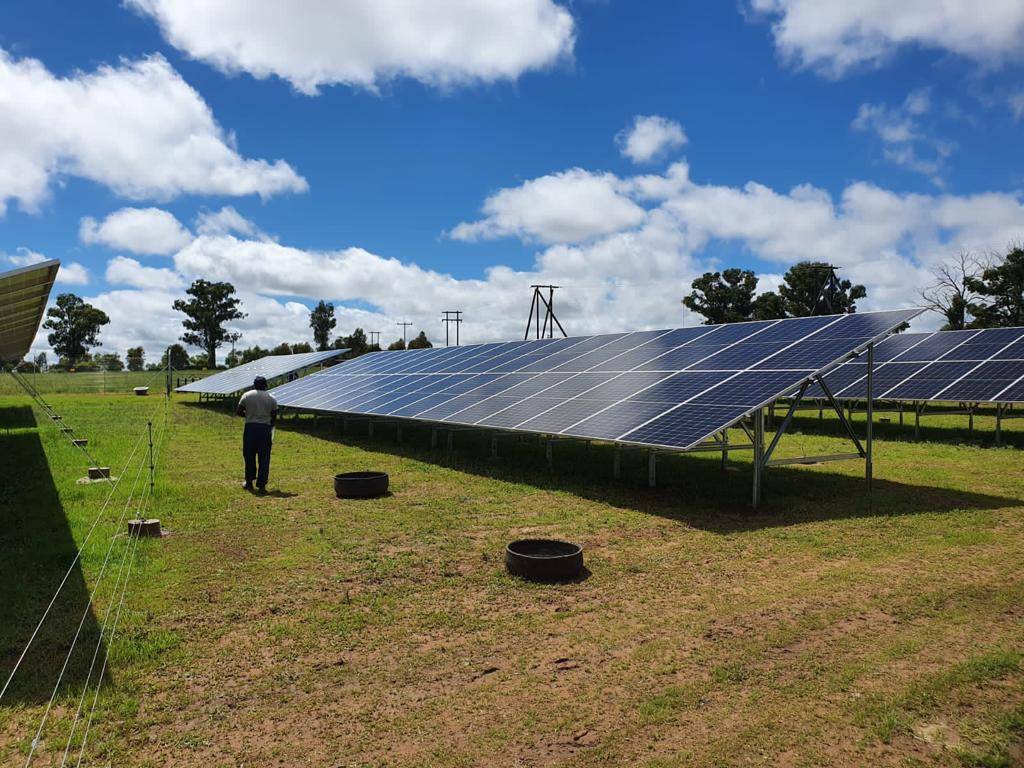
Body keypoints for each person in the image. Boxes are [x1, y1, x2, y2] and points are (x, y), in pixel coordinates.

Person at [236, 375, 278, 492]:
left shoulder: (247, 395)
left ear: (254, 385)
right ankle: (262, 485)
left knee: (249, 455)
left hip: (250, 428)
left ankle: (249, 482)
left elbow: (239, 411)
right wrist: (269, 426)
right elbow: (274, 416)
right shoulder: (272, 398)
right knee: (264, 457)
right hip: (265, 429)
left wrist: (249, 416)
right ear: (265, 385)